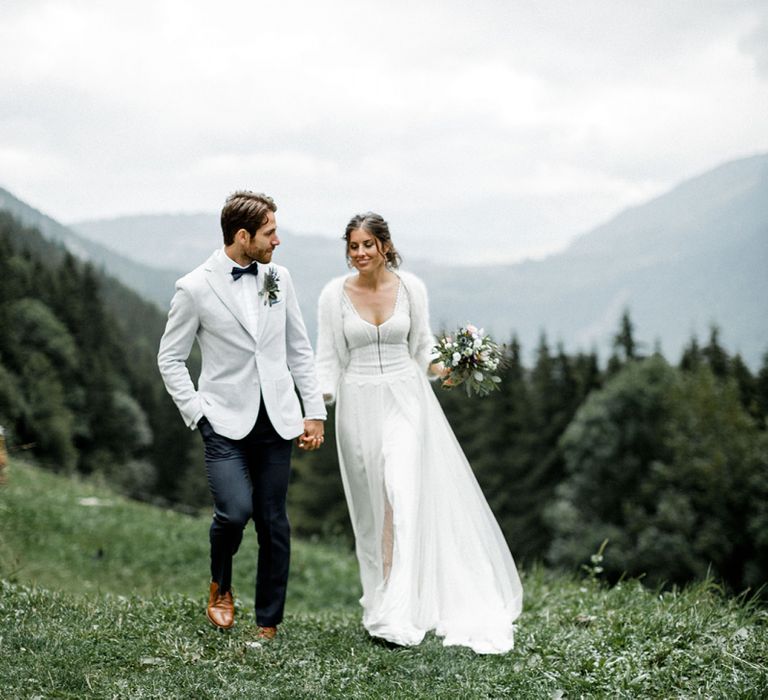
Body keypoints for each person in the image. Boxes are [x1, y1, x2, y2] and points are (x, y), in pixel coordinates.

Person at [316, 213, 523, 654]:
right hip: (357, 404)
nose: (360, 253)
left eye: (368, 244)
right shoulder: (333, 295)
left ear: (386, 246)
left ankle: (401, 610)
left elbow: (423, 347)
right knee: (372, 508)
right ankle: (382, 599)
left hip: (406, 400)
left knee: (401, 490)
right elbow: (327, 357)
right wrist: (321, 404)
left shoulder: (412, 288)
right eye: (353, 246)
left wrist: (449, 365)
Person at [158, 191, 326, 640]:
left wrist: (314, 413)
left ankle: (268, 622)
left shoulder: (279, 278)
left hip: (276, 419)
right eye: (270, 232)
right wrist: (197, 412)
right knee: (234, 513)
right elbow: (170, 358)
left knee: (273, 521)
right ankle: (221, 584)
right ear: (243, 236)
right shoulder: (194, 287)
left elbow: (298, 349)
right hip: (223, 421)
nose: (278, 240)